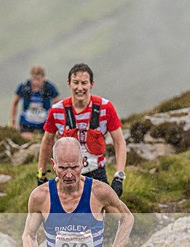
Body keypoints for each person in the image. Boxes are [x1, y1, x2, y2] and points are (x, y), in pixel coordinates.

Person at [37, 63, 127, 198]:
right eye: (76, 83)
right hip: (66, 175)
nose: (80, 88)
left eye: (84, 83)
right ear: (69, 84)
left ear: (91, 84)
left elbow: (119, 142)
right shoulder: (57, 110)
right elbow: (47, 142)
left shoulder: (106, 107)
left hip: (97, 173)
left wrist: (119, 176)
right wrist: (41, 174)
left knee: (106, 209)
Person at [10, 65, 61, 138]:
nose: (35, 82)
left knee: (44, 141)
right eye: (33, 79)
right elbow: (14, 103)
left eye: (38, 79)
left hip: (44, 124)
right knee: (25, 140)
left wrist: (54, 120)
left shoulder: (49, 88)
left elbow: (58, 103)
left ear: (43, 78)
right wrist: (12, 122)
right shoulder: (24, 87)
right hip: (26, 123)